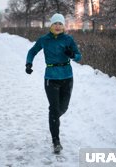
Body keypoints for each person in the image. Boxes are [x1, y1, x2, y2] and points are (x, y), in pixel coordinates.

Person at [25, 13, 82, 153]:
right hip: (51, 77)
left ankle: (53, 119)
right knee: (54, 109)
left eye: (60, 24)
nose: (58, 26)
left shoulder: (69, 39)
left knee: (63, 108)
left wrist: (72, 55)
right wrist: (28, 64)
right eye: (55, 23)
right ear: (51, 25)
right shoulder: (44, 40)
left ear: (64, 26)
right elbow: (32, 51)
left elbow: (79, 57)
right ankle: (56, 140)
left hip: (67, 77)